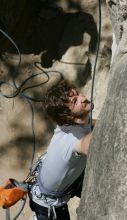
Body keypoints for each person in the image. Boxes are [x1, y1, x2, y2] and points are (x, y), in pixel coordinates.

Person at [29, 79, 95, 220]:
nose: (83, 98)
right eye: (75, 101)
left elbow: (91, 124)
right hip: (48, 204)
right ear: (68, 116)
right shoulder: (72, 141)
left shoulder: (71, 124)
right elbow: (89, 145)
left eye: (77, 94)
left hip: (45, 183)